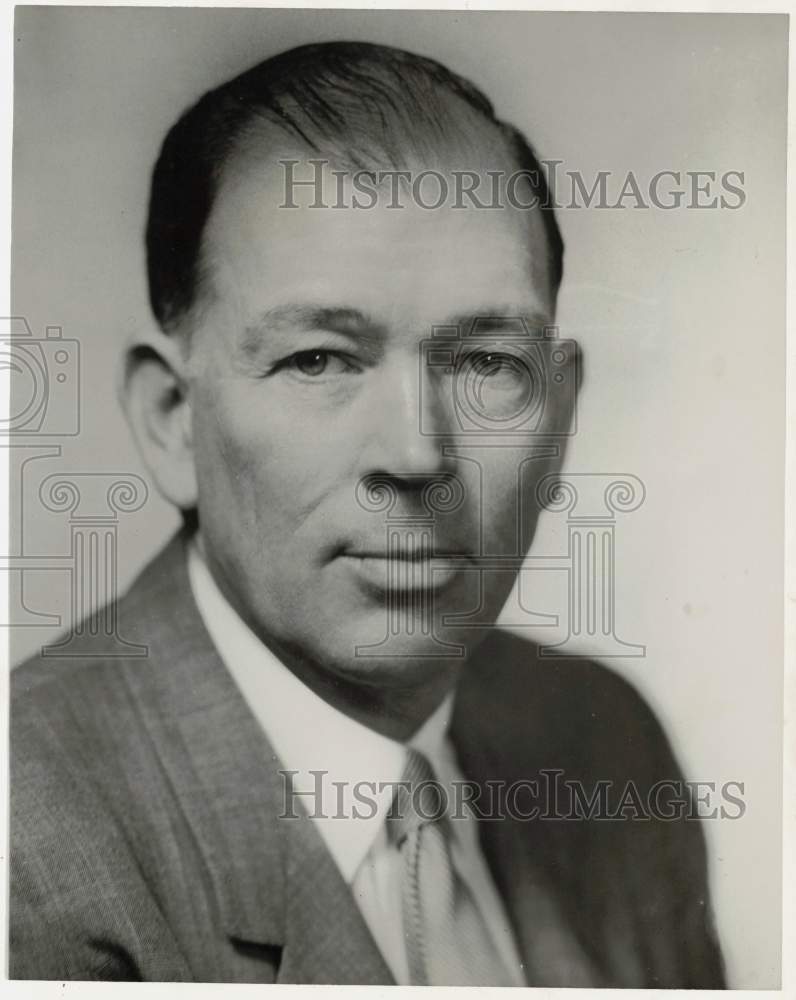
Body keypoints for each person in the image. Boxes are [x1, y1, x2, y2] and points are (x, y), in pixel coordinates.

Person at [10, 41, 725, 986]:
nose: (417, 454)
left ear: (560, 414)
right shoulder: (29, 850)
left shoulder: (604, 743)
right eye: (319, 360)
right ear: (172, 420)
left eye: (485, 366)